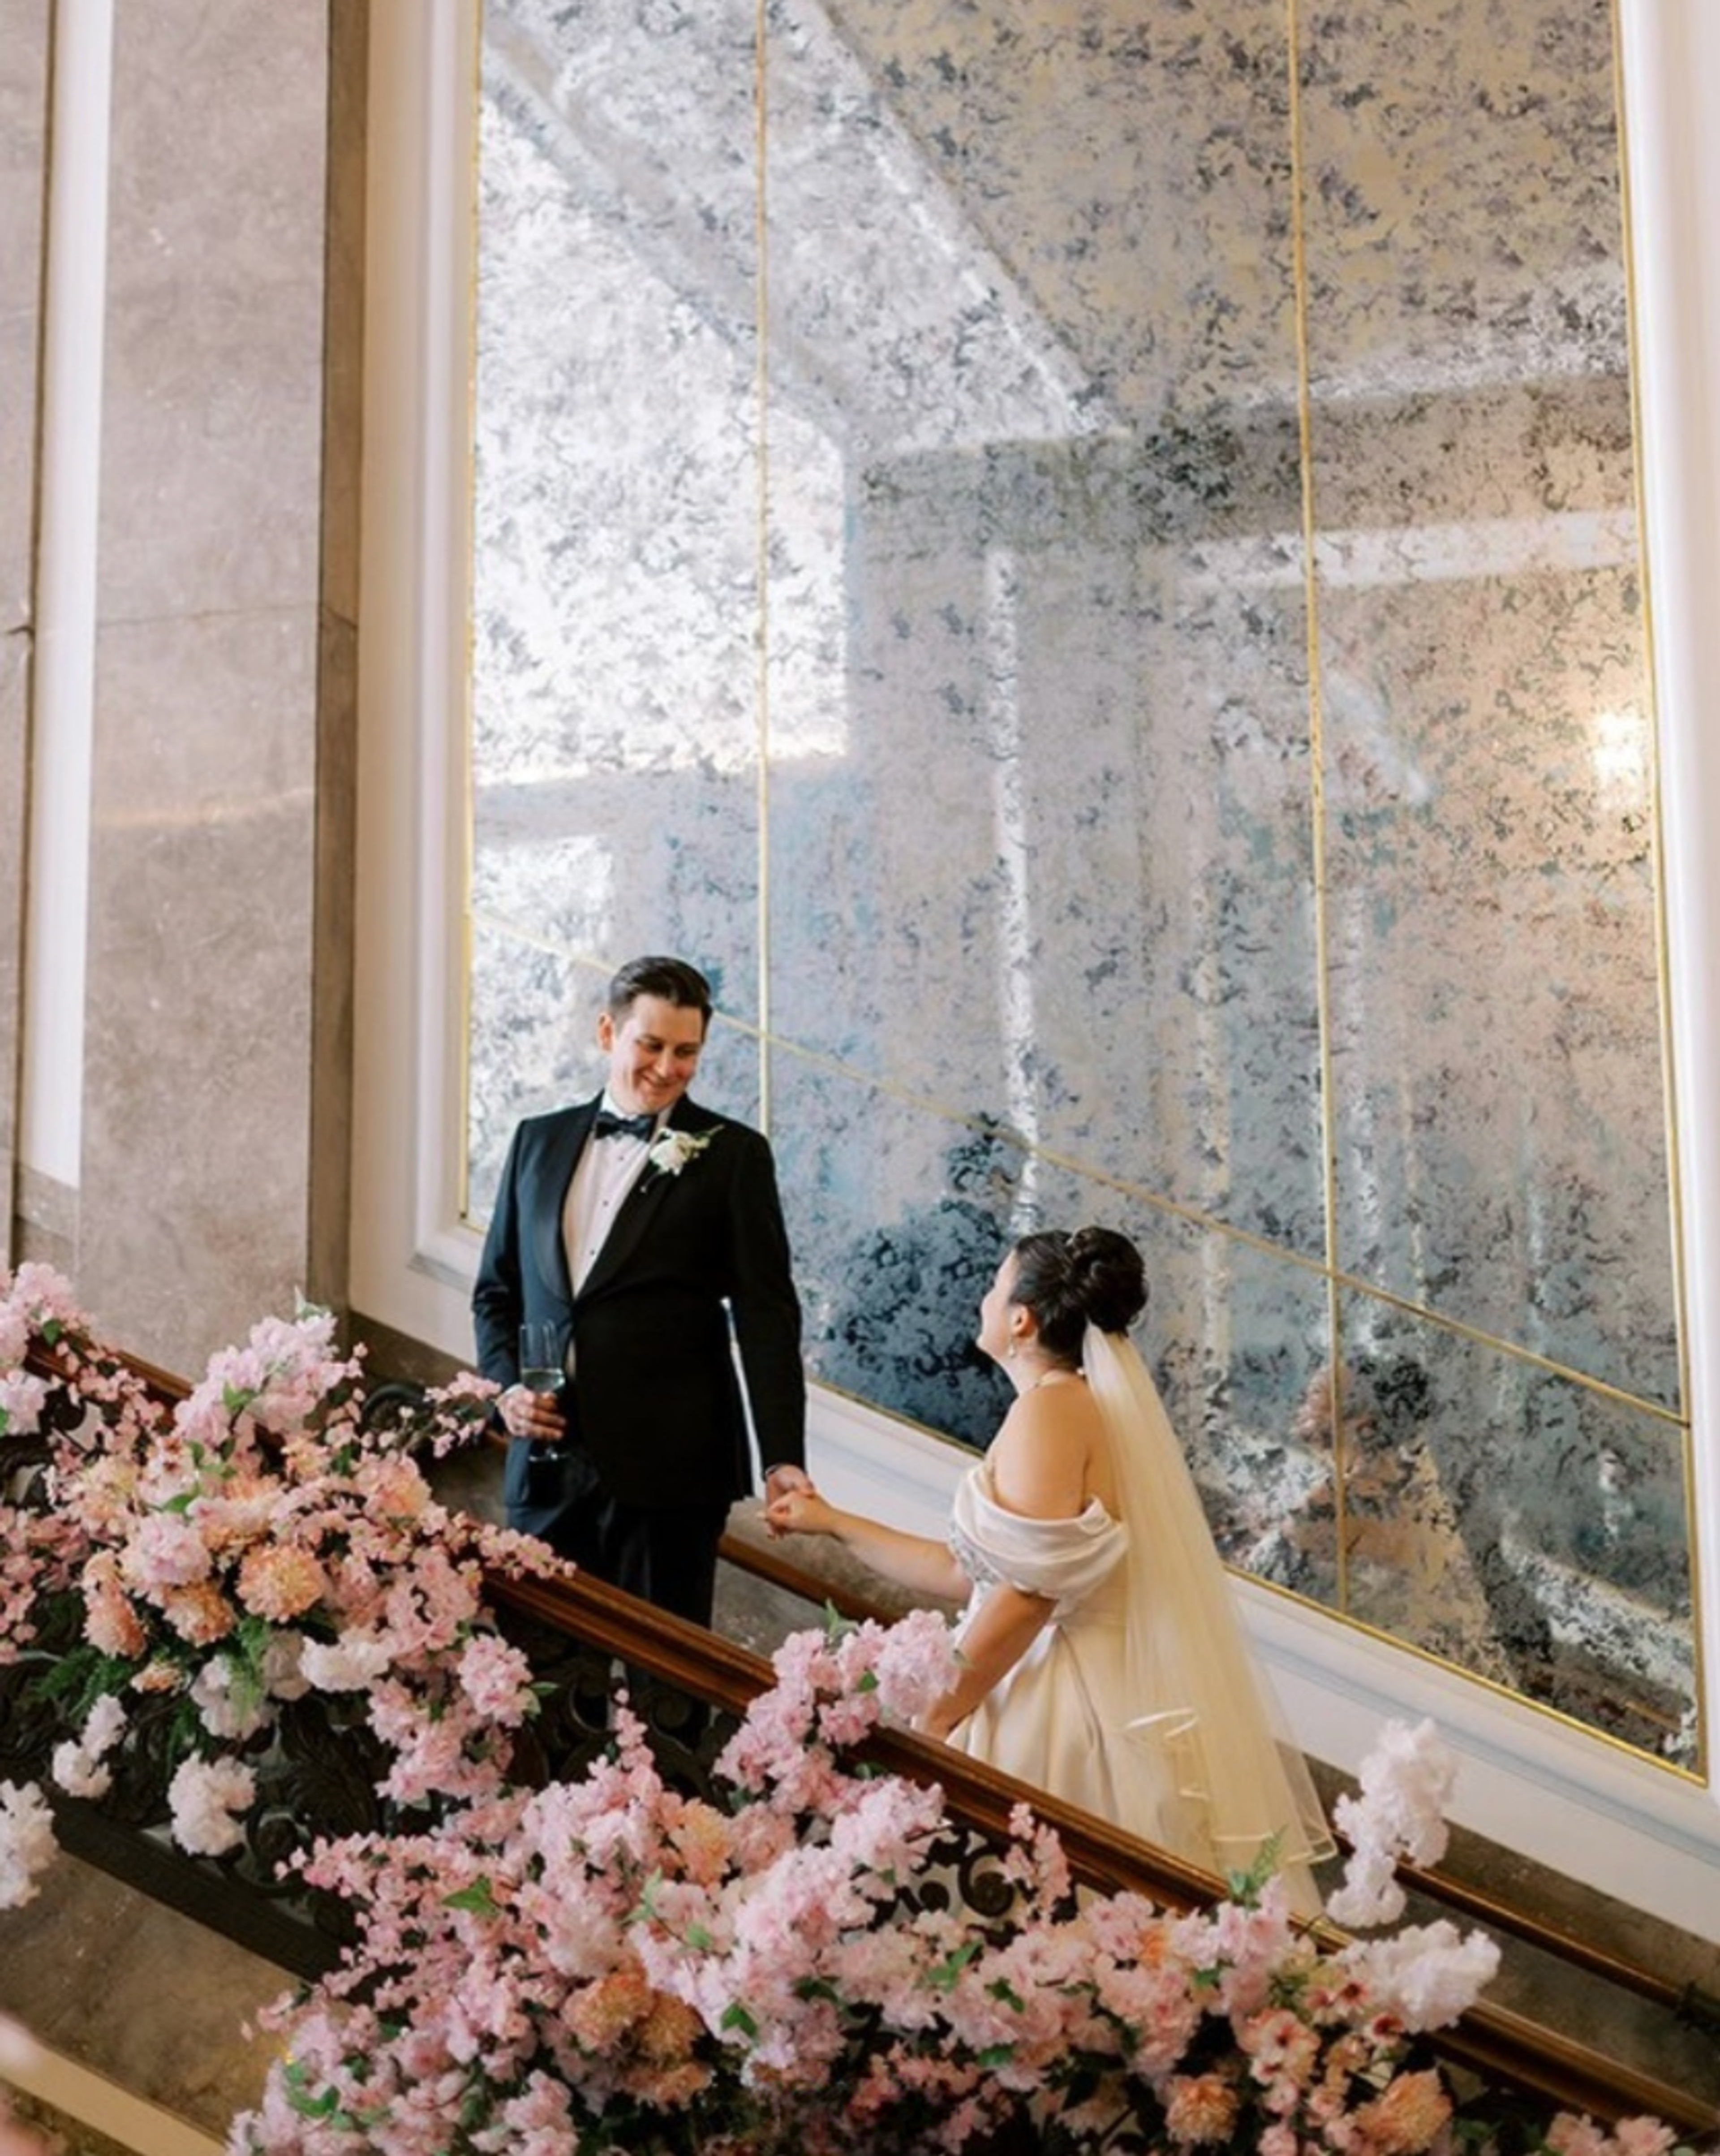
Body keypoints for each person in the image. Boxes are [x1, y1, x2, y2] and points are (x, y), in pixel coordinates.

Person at [767, 1226, 1333, 1910]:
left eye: (994, 1287)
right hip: (1033, 1670)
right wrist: (832, 1520)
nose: (982, 1300)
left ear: (1021, 1319)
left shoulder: (1052, 1409)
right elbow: (968, 1573)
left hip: (1059, 1704)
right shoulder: (1063, 1406)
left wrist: (939, 1716)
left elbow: (1029, 1594)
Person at [473, 955, 809, 1627]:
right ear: (608, 1032)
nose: (667, 1068)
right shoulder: (536, 1141)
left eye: (687, 1052)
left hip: (672, 1478)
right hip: (545, 1468)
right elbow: (496, 1293)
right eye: (651, 1045)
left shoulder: (734, 1157)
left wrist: (783, 1457)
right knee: (530, 1673)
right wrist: (505, 1391)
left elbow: (766, 1316)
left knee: (663, 1681)